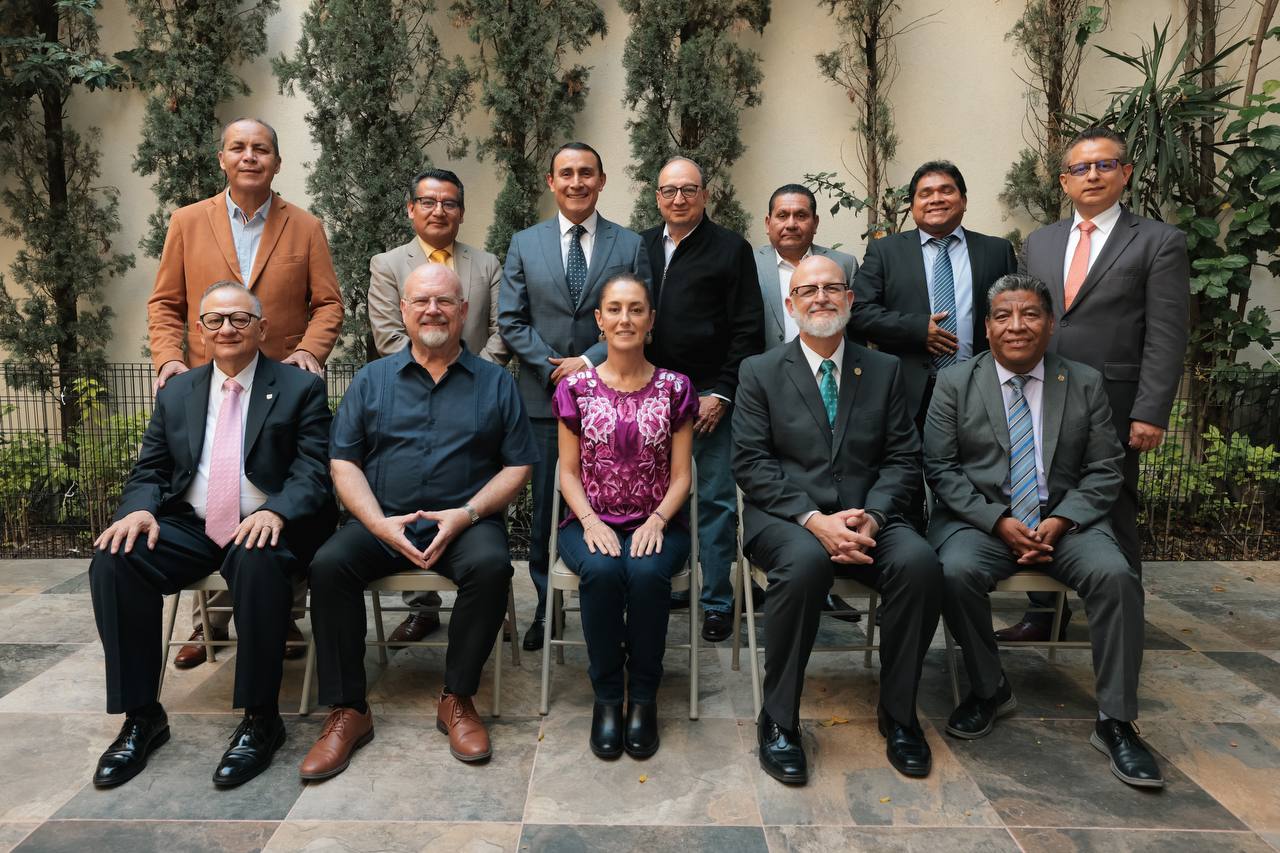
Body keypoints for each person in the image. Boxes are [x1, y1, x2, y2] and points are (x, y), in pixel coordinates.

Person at [88, 281, 335, 789]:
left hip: (269, 523)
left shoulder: (299, 388)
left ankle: (261, 719)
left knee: (256, 557)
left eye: (240, 319)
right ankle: (141, 716)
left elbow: (313, 469)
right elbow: (151, 469)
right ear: (199, 331)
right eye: (215, 320)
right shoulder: (178, 391)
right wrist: (138, 510)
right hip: (194, 524)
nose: (227, 328)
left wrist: (277, 511)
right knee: (116, 558)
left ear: (262, 328)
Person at [924, 274, 1163, 788]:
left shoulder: (1083, 382)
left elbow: (1105, 468)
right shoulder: (955, 383)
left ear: (1050, 324)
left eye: (1030, 314)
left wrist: (1061, 520)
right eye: (1004, 316)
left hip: (1067, 524)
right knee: (951, 571)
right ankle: (989, 689)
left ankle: (1117, 720)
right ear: (987, 328)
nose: (1017, 326)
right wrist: (998, 520)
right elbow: (940, 468)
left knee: (1117, 576)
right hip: (982, 523)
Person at [300, 264, 537, 779]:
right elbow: (343, 462)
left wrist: (468, 513)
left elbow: (518, 465)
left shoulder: (496, 383)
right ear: (403, 311)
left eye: (445, 301)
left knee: (492, 567)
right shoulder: (371, 380)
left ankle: (457, 699)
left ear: (464, 312)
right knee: (328, 566)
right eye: (422, 301)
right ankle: (348, 710)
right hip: (383, 522)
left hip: (466, 523)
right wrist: (378, 524)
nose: (433, 310)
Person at [733, 255, 942, 786]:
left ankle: (899, 714)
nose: (821, 297)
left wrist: (874, 516)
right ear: (791, 304)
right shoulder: (759, 371)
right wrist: (813, 519)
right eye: (808, 290)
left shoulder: (883, 370)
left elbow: (903, 457)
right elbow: (751, 463)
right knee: (804, 567)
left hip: (868, 514)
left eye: (832, 288)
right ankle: (778, 719)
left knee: (919, 564)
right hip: (788, 518)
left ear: (850, 299)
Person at [148, 118, 343, 666]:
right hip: (208, 386)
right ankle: (208, 621)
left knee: (276, 502)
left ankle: (282, 617)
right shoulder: (188, 222)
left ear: (277, 162)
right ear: (223, 159)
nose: (250, 156)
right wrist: (168, 359)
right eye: (238, 147)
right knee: (209, 494)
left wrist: (310, 352)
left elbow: (328, 303)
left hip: (279, 394)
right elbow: (165, 303)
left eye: (261, 148)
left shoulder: (304, 226)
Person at [1002, 126, 1189, 643]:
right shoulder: (1040, 242)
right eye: (1080, 168)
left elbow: (1167, 333)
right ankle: (1044, 615)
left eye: (1104, 165)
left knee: (1115, 505)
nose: (1092, 175)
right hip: (1041, 395)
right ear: (1065, 181)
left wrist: (1150, 410)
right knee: (1038, 497)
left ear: (1125, 173)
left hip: (1115, 401)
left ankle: (1124, 623)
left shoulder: (1158, 241)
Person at [498, 142, 651, 652]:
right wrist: (555, 369)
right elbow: (511, 319)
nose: (576, 182)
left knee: (620, 499)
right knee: (548, 505)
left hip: (619, 399)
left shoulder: (629, 244)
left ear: (602, 181)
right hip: (544, 401)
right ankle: (548, 606)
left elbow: (642, 313)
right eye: (566, 173)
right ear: (551, 182)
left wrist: (586, 362)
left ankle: (616, 601)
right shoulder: (525, 243)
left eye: (587, 173)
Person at [553, 273, 698, 760]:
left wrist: (657, 521)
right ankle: (608, 697)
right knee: (601, 570)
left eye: (636, 309)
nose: (625, 319)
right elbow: (567, 473)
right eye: (614, 309)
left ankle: (644, 697)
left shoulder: (676, 388)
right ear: (599, 320)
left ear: (651, 320)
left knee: (647, 571)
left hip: (659, 521)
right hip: (588, 522)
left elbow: (682, 476)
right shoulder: (575, 388)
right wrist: (591, 522)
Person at [368, 168, 508, 646]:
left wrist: (470, 378)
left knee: (471, 489)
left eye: (449, 203)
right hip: (408, 393)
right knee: (412, 484)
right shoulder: (388, 264)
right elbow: (388, 335)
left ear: (461, 212)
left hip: (475, 394)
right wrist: (426, 377)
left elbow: (501, 328)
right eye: (427, 201)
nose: (438, 210)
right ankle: (421, 608)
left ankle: (481, 603)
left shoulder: (486, 264)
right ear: (411, 209)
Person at [643, 156, 764, 643]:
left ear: (705, 195)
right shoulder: (640, 246)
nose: (679, 199)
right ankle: (672, 582)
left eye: (688, 189)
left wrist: (723, 391)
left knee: (714, 501)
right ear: (657, 197)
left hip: (707, 399)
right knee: (656, 497)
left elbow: (748, 329)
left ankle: (716, 600)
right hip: (648, 398)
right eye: (669, 190)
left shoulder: (731, 249)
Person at [755, 183, 861, 623]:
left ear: (815, 222)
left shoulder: (844, 264)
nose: (792, 223)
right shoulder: (750, 263)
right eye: (782, 215)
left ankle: (828, 585)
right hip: (773, 389)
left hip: (830, 378)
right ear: (768, 223)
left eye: (801, 215)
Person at [849, 160, 1017, 431]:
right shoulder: (885, 251)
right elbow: (857, 311)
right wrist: (916, 329)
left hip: (981, 387)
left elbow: (1012, 315)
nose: (936, 199)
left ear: (963, 201)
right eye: (925, 193)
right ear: (913, 205)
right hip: (908, 393)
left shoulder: (997, 251)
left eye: (946, 191)